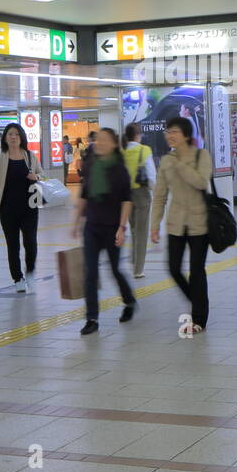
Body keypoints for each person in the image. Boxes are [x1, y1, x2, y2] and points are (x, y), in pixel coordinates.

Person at [150, 116, 212, 335]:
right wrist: (154, 223)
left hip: (199, 223)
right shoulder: (166, 161)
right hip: (176, 222)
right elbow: (159, 195)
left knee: (196, 271)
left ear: (186, 134)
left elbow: (201, 182)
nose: (169, 135)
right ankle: (196, 300)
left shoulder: (201, 155)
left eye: (174, 131)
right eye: (168, 131)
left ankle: (199, 319)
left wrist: (179, 164)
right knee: (174, 268)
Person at [73, 128, 136, 335]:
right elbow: (84, 194)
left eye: (104, 140)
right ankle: (92, 318)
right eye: (97, 140)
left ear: (114, 144)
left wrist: (122, 227)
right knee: (90, 272)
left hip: (112, 228)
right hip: (92, 226)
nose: (98, 143)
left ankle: (129, 301)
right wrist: (75, 222)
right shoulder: (91, 164)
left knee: (115, 269)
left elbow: (127, 200)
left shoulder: (119, 170)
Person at [0, 122, 41, 294]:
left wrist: (36, 176)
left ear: (21, 137)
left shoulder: (30, 157)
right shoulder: (0, 159)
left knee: (30, 242)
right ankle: (17, 278)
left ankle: (30, 271)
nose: (13, 137)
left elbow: (43, 175)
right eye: (10, 134)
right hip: (8, 209)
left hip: (30, 208)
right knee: (13, 245)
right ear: (5, 138)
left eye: (16, 134)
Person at [122, 123, 156, 279]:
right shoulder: (144, 150)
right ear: (137, 135)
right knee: (142, 232)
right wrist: (155, 193)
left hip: (126, 195)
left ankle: (134, 259)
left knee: (134, 228)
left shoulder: (122, 152)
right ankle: (138, 269)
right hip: (142, 194)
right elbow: (151, 175)